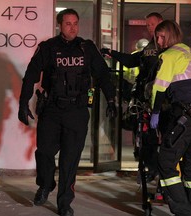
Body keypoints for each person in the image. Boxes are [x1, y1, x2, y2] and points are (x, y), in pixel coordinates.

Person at [18, 8, 117, 216]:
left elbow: (103, 75)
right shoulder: (48, 48)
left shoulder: (87, 48)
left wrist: (111, 98)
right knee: (44, 152)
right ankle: (45, 184)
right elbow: (31, 75)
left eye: (75, 23)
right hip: (52, 110)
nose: (72, 27)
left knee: (69, 160)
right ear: (59, 25)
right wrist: (23, 102)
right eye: (67, 23)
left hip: (77, 111)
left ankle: (64, 202)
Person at [150, 20, 191, 216]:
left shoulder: (168, 56)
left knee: (166, 162)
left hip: (186, 114)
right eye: (157, 37)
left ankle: (184, 212)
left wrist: (155, 112)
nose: (159, 41)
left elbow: (159, 88)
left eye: (162, 36)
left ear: (171, 35)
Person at [101, 12, 163, 182]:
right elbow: (131, 60)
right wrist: (111, 52)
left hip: (163, 101)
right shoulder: (150, 47)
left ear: (162, 24)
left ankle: (158, 171)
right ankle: (150, 169)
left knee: (159, 139)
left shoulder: (169, 46)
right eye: (148, 25)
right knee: (146, 137)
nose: (150, 27)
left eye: (153, 24)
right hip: (146, 100)